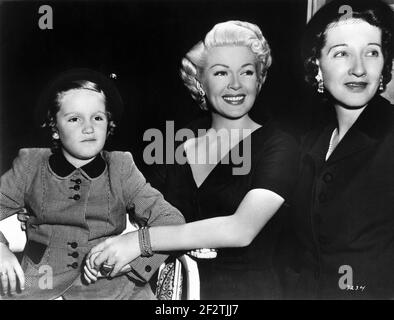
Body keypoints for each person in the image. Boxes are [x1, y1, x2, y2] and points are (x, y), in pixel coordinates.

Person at [85, 21, 299, 299]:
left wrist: (141, 242)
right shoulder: (175, 143)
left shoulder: (279, 144)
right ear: (200, 81)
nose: (236, 84)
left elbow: (241, 229)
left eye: (247, 71)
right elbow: (137, 213)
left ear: (260, 79)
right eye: (221, 72)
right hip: (174, 292)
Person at [0, 68, 185, 299]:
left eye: (97, 117)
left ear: (109, 124)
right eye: (74, 119)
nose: (88, 128)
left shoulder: (121, 167)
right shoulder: (30, 165)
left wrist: (135, 255)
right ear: (54, 128)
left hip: (115, 289)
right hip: (39, 286)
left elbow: (172, 221)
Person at [284, 0, 394, 299]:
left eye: (372, 52)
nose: (359, 68)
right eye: (342, 53)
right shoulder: (310, 141)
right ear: (317, 65)